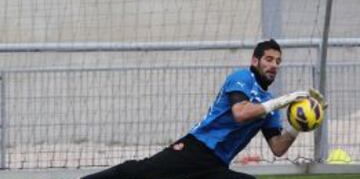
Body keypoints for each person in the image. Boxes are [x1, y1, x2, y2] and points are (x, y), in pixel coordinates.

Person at [81, 39, 326, 179]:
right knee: (139, 173)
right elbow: (240, 113)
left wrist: (297, 127)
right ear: (255, 61)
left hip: (216, 166)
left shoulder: (270, 104)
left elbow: (278, 148)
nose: (274, 65)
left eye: (278, 62)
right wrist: (284, 100)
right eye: (269, 59)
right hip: (194, 150)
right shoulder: (242, 78)